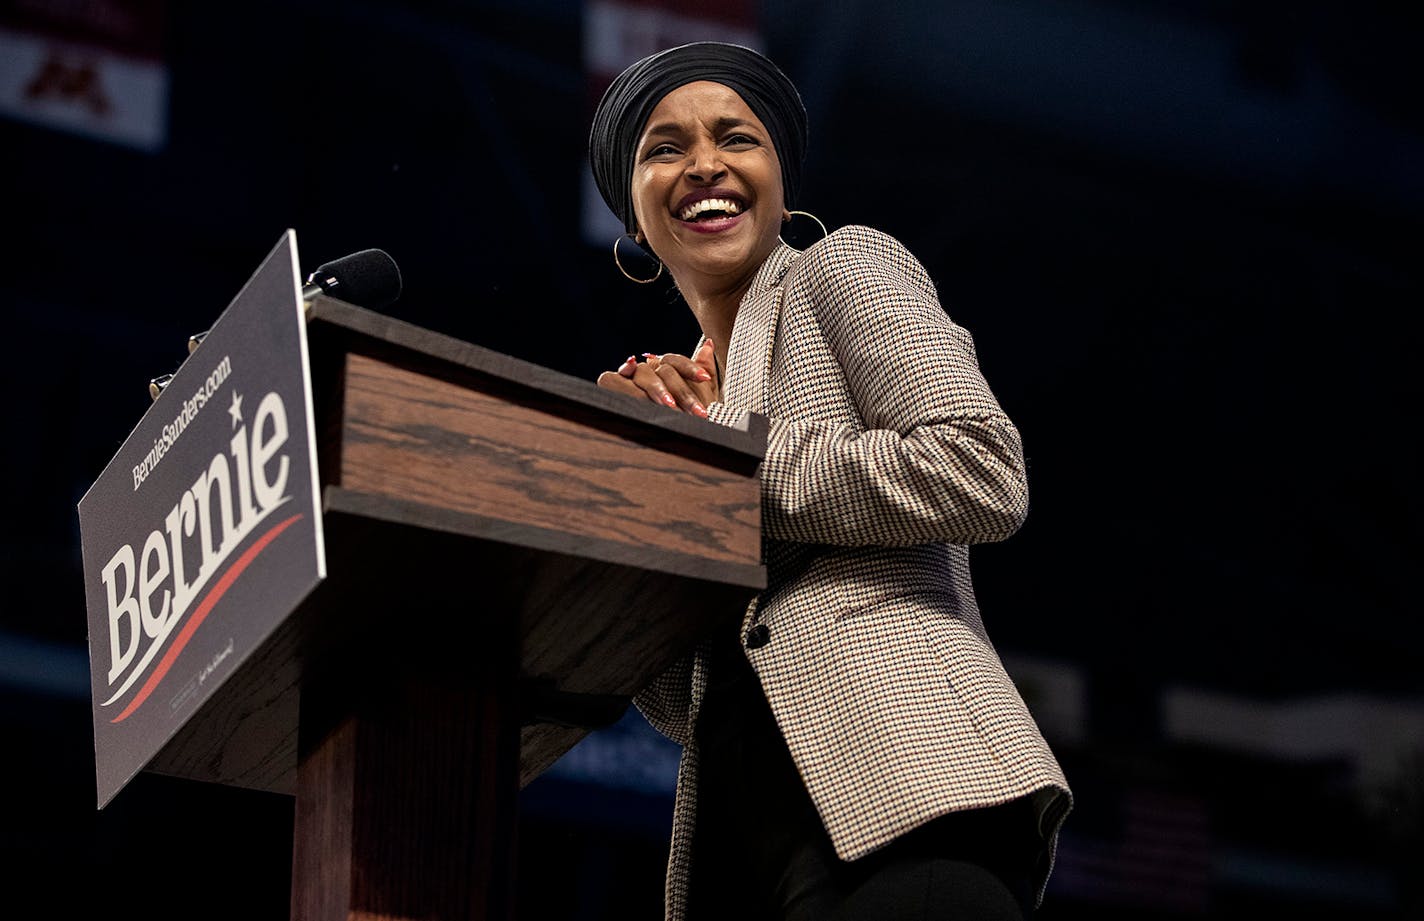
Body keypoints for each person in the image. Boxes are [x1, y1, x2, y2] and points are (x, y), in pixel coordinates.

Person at [589, 42, 1071, 921]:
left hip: (913, 798)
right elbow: (678, 695)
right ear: (633, 215)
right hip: (751, 850)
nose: (703, 163)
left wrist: (718, 454)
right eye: (663, 148)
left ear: (778, 179)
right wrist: (635, 482)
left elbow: (983, 465)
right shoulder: (689, 396)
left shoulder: (841, 267)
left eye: (736, 137)